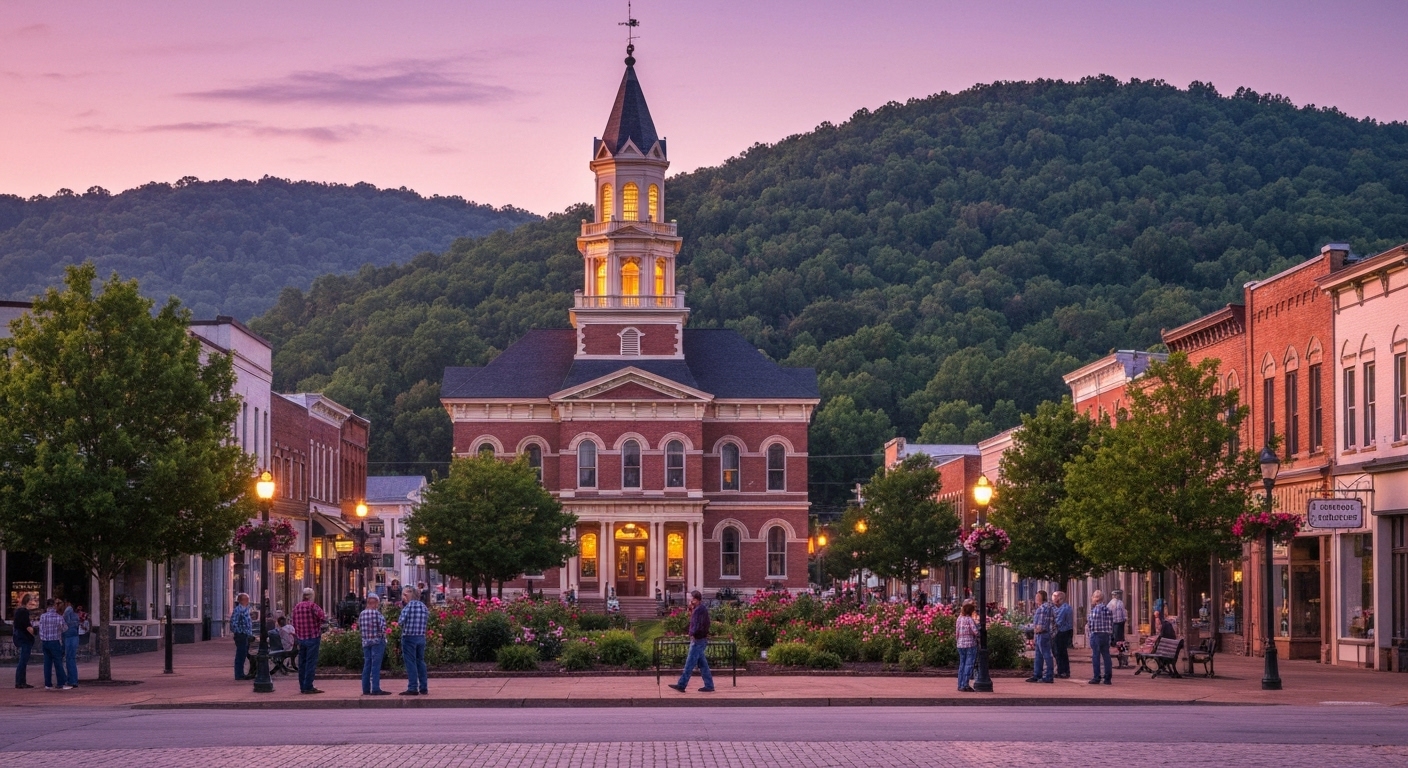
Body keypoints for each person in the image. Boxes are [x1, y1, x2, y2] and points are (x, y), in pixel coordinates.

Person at [668, 590, 714, 693]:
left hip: (697, 640)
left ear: (696, 599)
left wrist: (691, 634)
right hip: (701, 640)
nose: (690, 600)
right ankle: (709, 685)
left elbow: (697, 625)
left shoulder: (699, 610)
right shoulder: (700, 609)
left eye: (692, 599)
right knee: (703, 665)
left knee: (689, 664)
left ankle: (681, 685)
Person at [291, 588, 327, 694]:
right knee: (311, 662)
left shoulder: (296, 607)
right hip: (313, 636)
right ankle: (308, 686)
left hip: (301, 638)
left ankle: (302, 685)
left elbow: (293, 621)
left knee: (302, 662)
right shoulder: (312, 606)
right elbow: (323, 617)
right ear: (311, 596)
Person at [399, 586, 429, 696]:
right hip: (421, 637)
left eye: (404, 595)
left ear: (407, 595)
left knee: (410, 662)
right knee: (420, 661)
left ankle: (412, 687)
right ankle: (424, 687)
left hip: (409, 637)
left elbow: (401, 621)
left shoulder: (408, 607)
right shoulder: (424, 607)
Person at [358, 593, 390, 696]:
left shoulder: (362, 614)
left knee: (367, 664)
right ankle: (376, 688)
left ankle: (365, 689)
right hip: (377, 642)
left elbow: (360, 629)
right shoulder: (377, 614)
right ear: (376, 602)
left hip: (366, 642)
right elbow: (383, 628)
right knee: (375, 666)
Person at [38, 598, 70, 690]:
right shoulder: (58, 617)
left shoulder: (43, 616)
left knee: (47, 663)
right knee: (58, 662)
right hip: (55, 641)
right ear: (54, 605)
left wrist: (43, 638)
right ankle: (61, 682)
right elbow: (65, 628)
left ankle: (48, 683)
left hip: (45, 641)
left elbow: (41, 629)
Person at [1027, 589, 1055, 684]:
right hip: (1043, 634)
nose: (1035, 599)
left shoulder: (1042, 608)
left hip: (1042, 634)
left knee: (1046, 655)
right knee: (1039, 655)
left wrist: (1032, 629)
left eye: (1037, 597)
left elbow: (1040, 626)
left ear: (1041, 598)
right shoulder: (1048, 607)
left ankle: (1048, 676)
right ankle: (1037, 674)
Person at [1086, 589, 1113, 685]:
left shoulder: (1094, 610)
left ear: (1095, 599)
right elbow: (1111, 623)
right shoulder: (1108, 610)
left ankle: (1096, 677)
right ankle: (1108, 677)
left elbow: (1091, 624)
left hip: (1096, 634)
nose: (1091, 599)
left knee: (1096, 656)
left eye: (1092, 597)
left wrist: (1090, 634)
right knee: (1106, 656)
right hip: (1105, 634)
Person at [13, 593, 36, 689]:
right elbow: (27, 626)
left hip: (20, 638)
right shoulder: (24, 612)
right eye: (31, 600)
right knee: (23, 661)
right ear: (28, 601)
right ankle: (20, 682)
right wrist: (35, 632)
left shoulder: (19, 611)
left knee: (23, 661)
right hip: (25, 639)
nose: (33, 602)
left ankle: (21, 681)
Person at [955, 602, 978, 692]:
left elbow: (956, 632)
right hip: (970, 644)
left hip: (960, 644)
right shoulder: (969, 619)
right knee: (969, 664)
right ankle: (965, 684)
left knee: (962, 664)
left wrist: (958, 640)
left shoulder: (959, 619)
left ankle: (960, 684)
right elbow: (975, 631)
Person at [230, 593, 253, 680]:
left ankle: (241, 673)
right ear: (242, 600)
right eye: (246, 599)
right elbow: (233, 623)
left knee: (243, 654)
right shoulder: (238, 610)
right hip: (241, 635)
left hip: (246, 635)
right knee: (240, 654)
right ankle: (239, 674)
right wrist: (239, 633)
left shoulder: (246, 609)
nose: (248, 601)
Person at [1052, 591, 1073, 678]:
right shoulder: (1060, 607)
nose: (1052, 599)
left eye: (1054, 597)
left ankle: (1062, 671)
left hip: (1062, 632)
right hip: (1062, 631)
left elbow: (1058, 622)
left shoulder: (1064, 608)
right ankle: (1063, 670)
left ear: (1059, 599)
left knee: (1060, 652)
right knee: (1060, 652)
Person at [61, 599, 81, 688]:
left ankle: (70, 680)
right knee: (71, 658)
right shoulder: (76, 615)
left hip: (68, 637)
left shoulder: (66, 613)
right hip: (74, 636)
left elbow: (65, 624)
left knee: (68, 658)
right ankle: (72, 679)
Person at [1108, 589, 1129, 667]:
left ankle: (1122, 656)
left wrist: (1125, 620)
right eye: (1116, 595)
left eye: (1118, 595)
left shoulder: (1120, 603)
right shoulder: (1110, 604)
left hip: (1120, 623)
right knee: (1117, 640)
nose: (1117, 596)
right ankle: (1119, 656)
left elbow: (1124, 613)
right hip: (1115, 624)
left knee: (1120, 640)